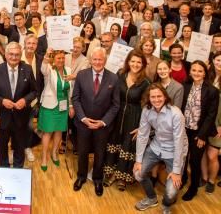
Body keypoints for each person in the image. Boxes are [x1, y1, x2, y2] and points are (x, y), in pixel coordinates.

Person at [133, 83, 188, 213]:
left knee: (171, 192)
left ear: (165, 97)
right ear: (149, 98)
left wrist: (176, 171)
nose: (156, 99)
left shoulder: (176, 114)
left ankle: (166, 205)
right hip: (156, 147)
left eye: (159, 96)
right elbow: (142, 135)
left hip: (175, 151)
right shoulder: (147, 110)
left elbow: (179, 143)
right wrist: (138, 160)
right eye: (153, 97)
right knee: (138, 174)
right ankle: (151, 198)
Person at [72, 47, 120, 196]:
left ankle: (98, 179)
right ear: (90, 60)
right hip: (83, 123)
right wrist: (83, 118)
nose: (98, 62)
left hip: (102, 126)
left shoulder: (113, 78)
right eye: (95, 59)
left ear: (105, 60)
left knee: (100, 153)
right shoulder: (81, 75)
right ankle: (81, 177)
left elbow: (115, 104)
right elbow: (75, 99)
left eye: (100, 59)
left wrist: (103, 122)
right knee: (83, 151)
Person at [104, 50, 150, 191]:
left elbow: (148, 106)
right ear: (128, 62)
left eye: (139, 62)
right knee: (113, 142)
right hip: (117, 114)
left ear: (142, 64)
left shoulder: (146, 82)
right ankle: (110, 173)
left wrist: (142, 126)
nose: (135, 64)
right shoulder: (120, 74)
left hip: (134, 117)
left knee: (127, 146)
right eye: (133, 61)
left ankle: (122, 177)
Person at [0, 42, 37, 168]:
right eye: (11, 54)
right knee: (3, 146)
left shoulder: (27, 69)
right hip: (3, 118)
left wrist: (25, 101)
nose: (14, 57)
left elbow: (35, 91)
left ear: (21, 55)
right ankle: (4, 169)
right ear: (5, 54)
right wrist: (2, 100)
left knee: (20, 146)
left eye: (17, 55)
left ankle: (18, 170)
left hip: (21, 117)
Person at [181, 60, 219, 201]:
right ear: (190, 72)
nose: (196, 73)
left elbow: (211, 115)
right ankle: (183, 179)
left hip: (199, 132)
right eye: (194, 70)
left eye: (200, 71)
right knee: (182, 157)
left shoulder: (212, 90)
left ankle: (193, 188)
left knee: (195, 161)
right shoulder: (185, 86)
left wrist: (202, 136)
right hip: (184, 129)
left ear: (204, 73)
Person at [38, 49, 73, 171]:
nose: (61, 60)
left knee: (59, 131)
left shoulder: (68, 70)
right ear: (54, 59)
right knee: (48, 132)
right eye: (59, 58)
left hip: (63, 106)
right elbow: (42, 68)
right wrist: (46, 55)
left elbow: (70, 90)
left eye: (63, 58)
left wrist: (70, 106)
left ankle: (54, 153)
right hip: (50, 105)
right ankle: (43, 156)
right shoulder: (49, 69)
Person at [21, 34, 44, 162]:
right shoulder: (18, 58)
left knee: (30, 125)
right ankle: (17, 148)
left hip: (36, 99)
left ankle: (28, 147)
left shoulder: (40, 59)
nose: (31, 46)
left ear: (37, 45)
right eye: (29, 43)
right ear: (24, 44)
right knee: (21, 125)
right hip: (21, 99)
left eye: (33, 44)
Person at [201, 51, 221, 193]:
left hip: (218, 123)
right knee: (201, 152)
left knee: (212, 155)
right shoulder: (208, 76)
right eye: (218, 60)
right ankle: (204, 177)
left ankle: (212, 180)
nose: (220, 63)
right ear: (213, 61)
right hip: (204, 120)